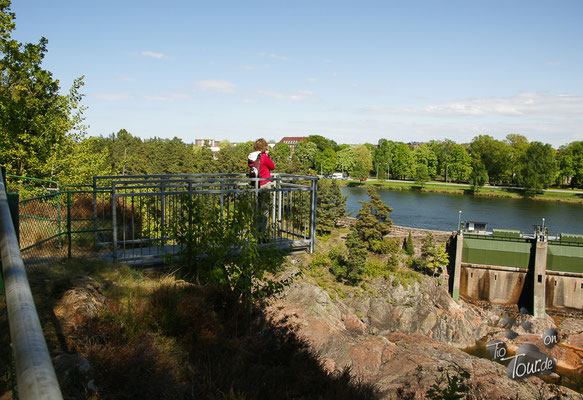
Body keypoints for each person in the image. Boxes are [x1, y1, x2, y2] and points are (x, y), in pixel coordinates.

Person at [248, 139, 275, 239]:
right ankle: (261, 235)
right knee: (265, 211)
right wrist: (267, 155)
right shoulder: (263, 157)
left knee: (257, 209)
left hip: (255, 185)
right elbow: (272, 166)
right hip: (264, 185)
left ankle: (255, 233)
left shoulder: (251, 157)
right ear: (264, 148)